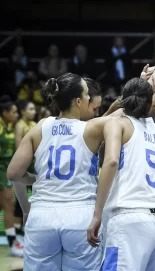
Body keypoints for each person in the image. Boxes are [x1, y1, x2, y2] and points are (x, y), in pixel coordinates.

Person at [7, 73, 106, 270]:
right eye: (87, 95)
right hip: (80, 216)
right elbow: (122, 115)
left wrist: (37, 183)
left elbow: (14, 174)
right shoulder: (92, 129)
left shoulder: (41, 125)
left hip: (42, 214)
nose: (89, 99)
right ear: (79, 101)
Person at [87, 73, 155, 271]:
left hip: (130, 217)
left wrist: (97, 213)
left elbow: (111, 161)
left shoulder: (119, 124)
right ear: (151, 102)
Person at [0, 95, 22, 257]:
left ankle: (14, 241)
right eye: (13, 112)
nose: (16, 115)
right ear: (5, 113)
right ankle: (13, 244)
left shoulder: (10, 126)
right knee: (9, 204)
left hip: (6, 169)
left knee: (7, 205)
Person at [14, 100, 36, 236]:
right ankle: (17, 233)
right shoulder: (20, 126)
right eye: (30, 109)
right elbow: (18, 149)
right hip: (23, 169)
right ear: (23, 111)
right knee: (19, 202)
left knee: (35, 198)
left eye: (34, 109)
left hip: (34, 169)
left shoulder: (34, 125)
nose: (33, 112)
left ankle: (31, 230)